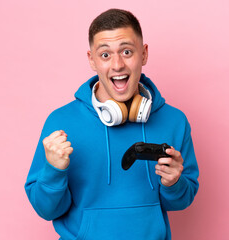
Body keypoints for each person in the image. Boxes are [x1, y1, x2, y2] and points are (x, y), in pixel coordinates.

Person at [25, 8, 199, 240]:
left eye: (127, 51)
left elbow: (180, 201)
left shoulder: (174, 121)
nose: (117, 65)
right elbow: (47, 210)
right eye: (105, 55)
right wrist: (54, 170)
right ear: (92, 60)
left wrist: (174, 182)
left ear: (144, 54)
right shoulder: (61, 122)